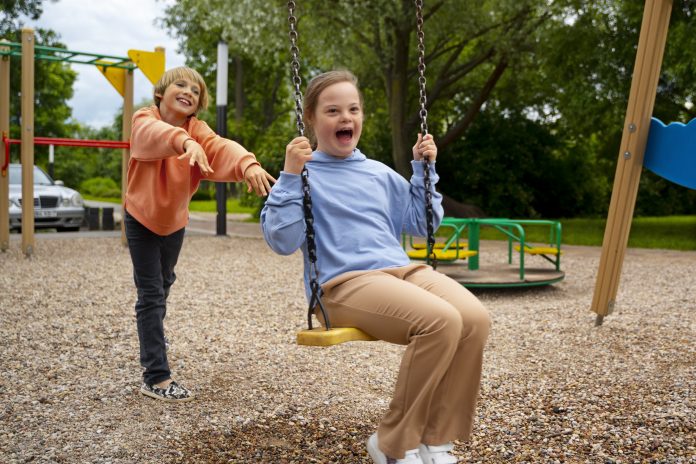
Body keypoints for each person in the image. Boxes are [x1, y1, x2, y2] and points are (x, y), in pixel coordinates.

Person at [261, 69, 490, 463]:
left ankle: (435, 441)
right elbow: (282, 240)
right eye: (332, 110)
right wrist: (289, 174)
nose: (345, 118)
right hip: (343, 284)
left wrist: (423, 170)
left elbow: (423, 226)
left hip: (401, 271)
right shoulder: (302, 174)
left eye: (353, 109)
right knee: (440, 321)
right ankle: (391, 444)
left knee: (474, 319)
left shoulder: (378, 173)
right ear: (312, 120)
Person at [125, 66, 275, 402]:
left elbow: (221, 147)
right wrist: (184, 142)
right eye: (181, 84)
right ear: (161, 93)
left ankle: (153, 337)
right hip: (140, 217)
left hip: (174, 221)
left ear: (197, 105)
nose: (189, 91)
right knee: (150, 293)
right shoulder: (144, 118)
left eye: (195, 91)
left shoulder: (198, 130)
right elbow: (152, 135)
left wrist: (247, 164)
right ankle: (156, 376)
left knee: (163, 285)